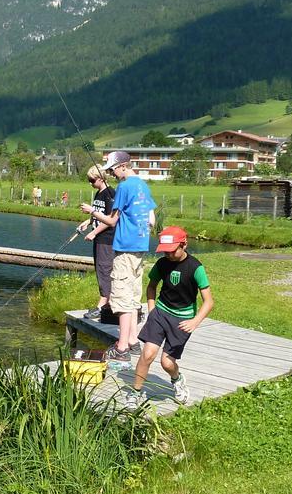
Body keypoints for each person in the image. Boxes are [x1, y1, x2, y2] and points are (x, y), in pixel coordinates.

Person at [122, 226, 214, 409]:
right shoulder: (162, 263)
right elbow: (151, 287)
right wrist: (151, 309)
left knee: (167, 362)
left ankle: (177, 379)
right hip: (161, 313)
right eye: (165, 251)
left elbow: (209, 301)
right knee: (147, 354)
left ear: (184, 244)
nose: (168, 255)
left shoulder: (196, 268)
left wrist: (195, 321)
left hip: (182, 319)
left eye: (172, 251)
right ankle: (136, 392)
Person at [81, 150, 156, 363]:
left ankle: (121, 348)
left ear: (123, 165)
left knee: (121, 298)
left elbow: (112, 221)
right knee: (133, 297)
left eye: (112, 169)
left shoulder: (124, 187)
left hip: (125, 247)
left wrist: (91, 212)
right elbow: (152, 218)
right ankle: (132, 341)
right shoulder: (142, 185)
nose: (112, 174)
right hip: (140, 246)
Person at [76, 165, 115, 321]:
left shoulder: (110, 194)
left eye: (91, 180)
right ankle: (107, 304)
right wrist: (88, 222)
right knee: (100, 270)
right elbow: (100, 214)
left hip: (107, 240)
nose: (90, 183)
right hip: (99, 239)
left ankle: (102, 306)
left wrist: (94, 232)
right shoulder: (98, 194)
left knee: (105, 270)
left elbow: (111, 219)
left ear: (100, 178)